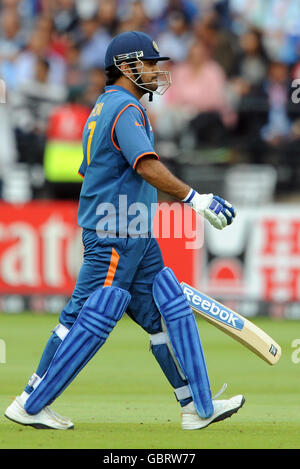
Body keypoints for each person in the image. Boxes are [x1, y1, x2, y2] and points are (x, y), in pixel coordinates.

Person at [4, 31, 245, 431]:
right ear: (128, 66)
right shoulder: (126, 108)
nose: (156, 71)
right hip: (117, 233)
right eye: (149, 64)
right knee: (88, 316)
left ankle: (196, 407)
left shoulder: (103, 106)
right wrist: (196, 199)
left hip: (134, 233)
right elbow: (145, 165)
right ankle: (31, 402)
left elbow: (97, 171)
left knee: (163, 315)